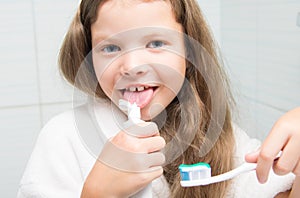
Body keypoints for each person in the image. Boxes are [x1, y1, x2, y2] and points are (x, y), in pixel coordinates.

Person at [18, 0, 300, 197]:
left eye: (156, 43)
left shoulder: (220, 140)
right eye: (110, 47)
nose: (131, 66)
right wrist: (97, 194)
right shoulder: (62, 138)